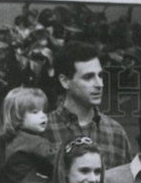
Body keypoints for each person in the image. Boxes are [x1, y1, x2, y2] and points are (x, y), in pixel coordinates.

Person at [44, 40, 133, 169]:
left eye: (100, 75)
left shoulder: (116, 133)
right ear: (65, 81)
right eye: (88, 77)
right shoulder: (44, 129)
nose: (99, 84)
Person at [0, 86, 58, 183]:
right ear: (17, 117)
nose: (43, 116)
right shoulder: (35, 142)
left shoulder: (6, 141)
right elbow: (59, 162)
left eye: (44, 111)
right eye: (35, 112)